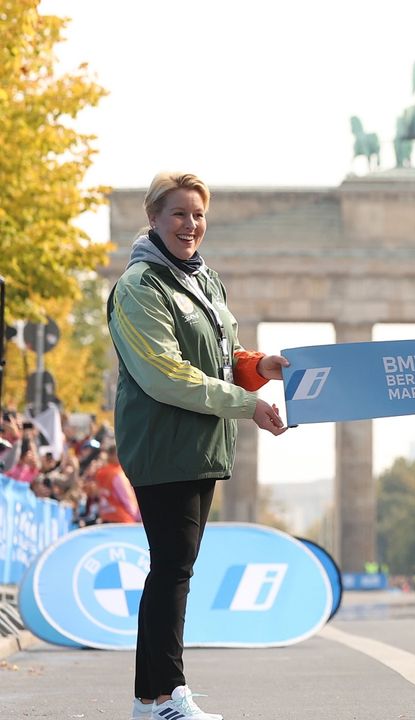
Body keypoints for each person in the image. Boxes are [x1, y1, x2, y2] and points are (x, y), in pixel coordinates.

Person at [108, 172, 290, 720]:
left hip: (199, 443)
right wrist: (246, 404)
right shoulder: (141, 287)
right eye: (179, 214)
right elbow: (166, 375)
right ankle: (166, 696)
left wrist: (260, 367)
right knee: (171, 567)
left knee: (175, 566)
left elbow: (223, 354)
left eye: (198, 215)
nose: (191, 225)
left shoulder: (204, 281)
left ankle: (153, 698)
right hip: (163, 444)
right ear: (154, 220)